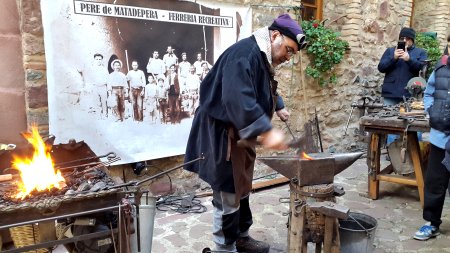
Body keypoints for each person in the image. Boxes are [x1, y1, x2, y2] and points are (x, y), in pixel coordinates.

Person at [184, 14, 303, 252]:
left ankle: (242, 238)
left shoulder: (261, 55)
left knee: (243, 187)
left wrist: (278, 105)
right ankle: (224, 247)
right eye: (288, 50)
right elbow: (237, 97)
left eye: (292, 54)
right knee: (228, 193)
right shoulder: (244, 54)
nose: (288, 57)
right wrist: (265, 131)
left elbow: (262, 82)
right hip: (222, 135)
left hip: (240, 134)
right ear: (275, 36)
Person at [413, 54, 450, 241]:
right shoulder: (441, 68)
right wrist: (431, 111)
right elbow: (429, 92)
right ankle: (432, 223)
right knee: (435, 182)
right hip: (440, 137)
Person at [378, 27, 428, 146]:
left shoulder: (420, 52)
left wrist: (409, 59)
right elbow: (381, 68)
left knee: (414, 124)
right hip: (391, 93)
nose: (404, 40)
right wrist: (393, 58)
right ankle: (392, 151)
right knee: (392, 125)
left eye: (407, 38)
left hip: (411, 94)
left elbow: (422, 68)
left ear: (412, 40)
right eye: (402, 38)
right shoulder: (390, 51)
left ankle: (415, 151)